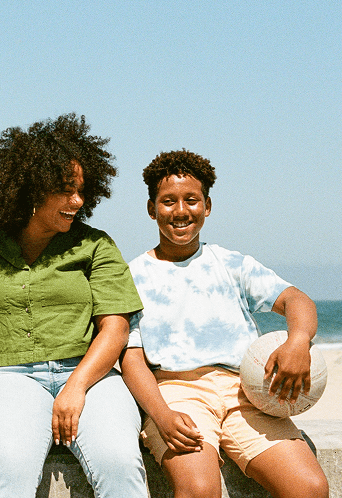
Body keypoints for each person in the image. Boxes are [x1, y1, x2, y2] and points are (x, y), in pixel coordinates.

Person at [0, 113, 148, 498]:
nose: (77, 201)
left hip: (90, 375)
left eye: (81, 191)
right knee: (12, 466)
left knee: (120, 464)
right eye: (65, 190)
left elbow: (116, 329)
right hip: (4, 377)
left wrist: (75, 387)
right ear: (31, 189)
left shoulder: (97, 246)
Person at [120, 149, 329, 498]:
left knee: (309, 487)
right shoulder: (133, 276)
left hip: (247, 393)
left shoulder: (231, 264)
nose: (181, 211)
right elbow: (131, 358)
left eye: (192, 200)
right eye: (168, 201)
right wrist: (161, 414)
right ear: (151, 208)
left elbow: (297, 300)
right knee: (199, 489)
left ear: (207, 206)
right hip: (177, 393)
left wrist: (298, 342)